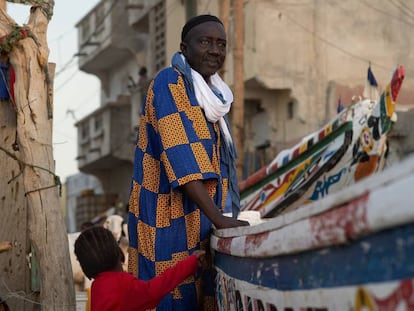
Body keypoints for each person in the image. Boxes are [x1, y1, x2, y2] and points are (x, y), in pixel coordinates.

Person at [128, 14, 249, 310]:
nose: (215, 50)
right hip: (165, 223)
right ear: (184, 47)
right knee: (168, 298)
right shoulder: (171, 83)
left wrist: (218, 220)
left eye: (221, 44)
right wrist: (221, 220)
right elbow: (184, 163)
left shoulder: (213, 96)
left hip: (200, 225)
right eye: (205, 42)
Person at [74, 226, 205, 311]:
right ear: (118, 252)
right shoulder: (122, 284)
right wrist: (189, 264)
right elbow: (154, 291)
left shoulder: (97, 287)